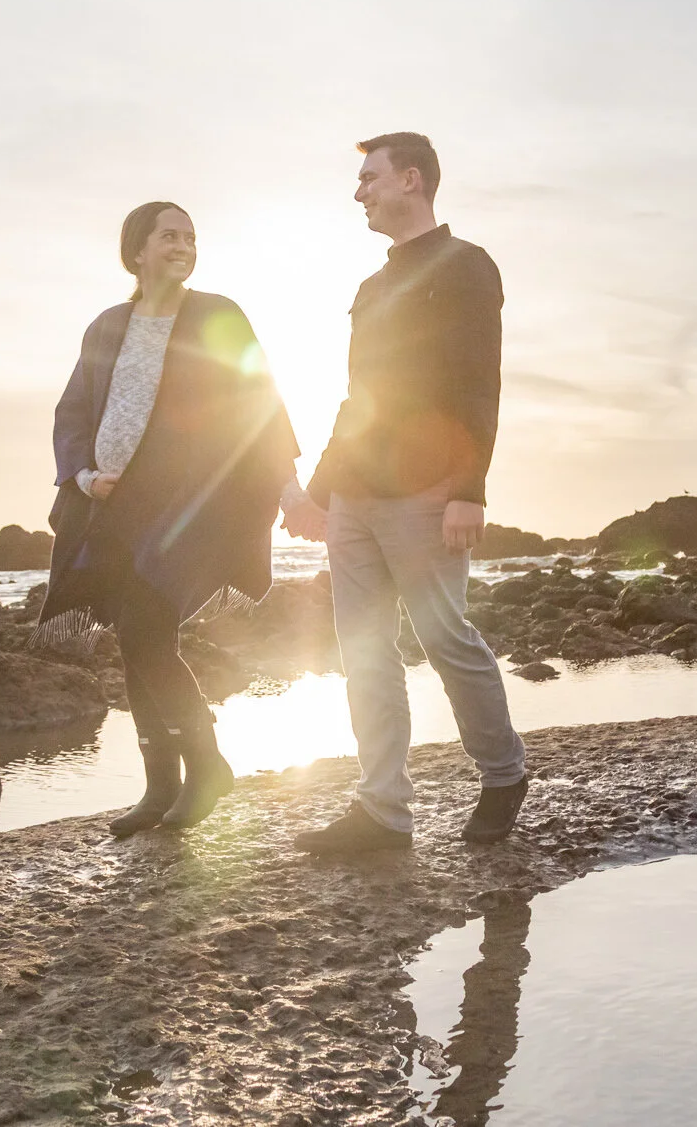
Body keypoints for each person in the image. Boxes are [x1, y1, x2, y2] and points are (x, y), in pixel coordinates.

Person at [287, 132, 530, 854]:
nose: (358, 191)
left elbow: (477, 383)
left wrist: (469, 489)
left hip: (428, 491)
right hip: (356, 497)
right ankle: (384, 812)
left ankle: (503, 772)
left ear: (412, 181)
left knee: (445, 637)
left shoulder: (466, 267)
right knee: (363, 650)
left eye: (370, 177)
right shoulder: (370, 288)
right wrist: (321, 489)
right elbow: (357, 398)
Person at [40, 201, 299, 836]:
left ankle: (207, 767)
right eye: (169, 236)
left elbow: (257, 395)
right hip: (112, 510)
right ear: (137, 251)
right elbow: (72, 412)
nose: (182, 245)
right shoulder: (107, 327)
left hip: (190, 509)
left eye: (190, 237)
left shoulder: (216, 314)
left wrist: (288, 484)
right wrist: (82, 476)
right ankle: (160, 786)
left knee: (149, 631)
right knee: (133, 641)